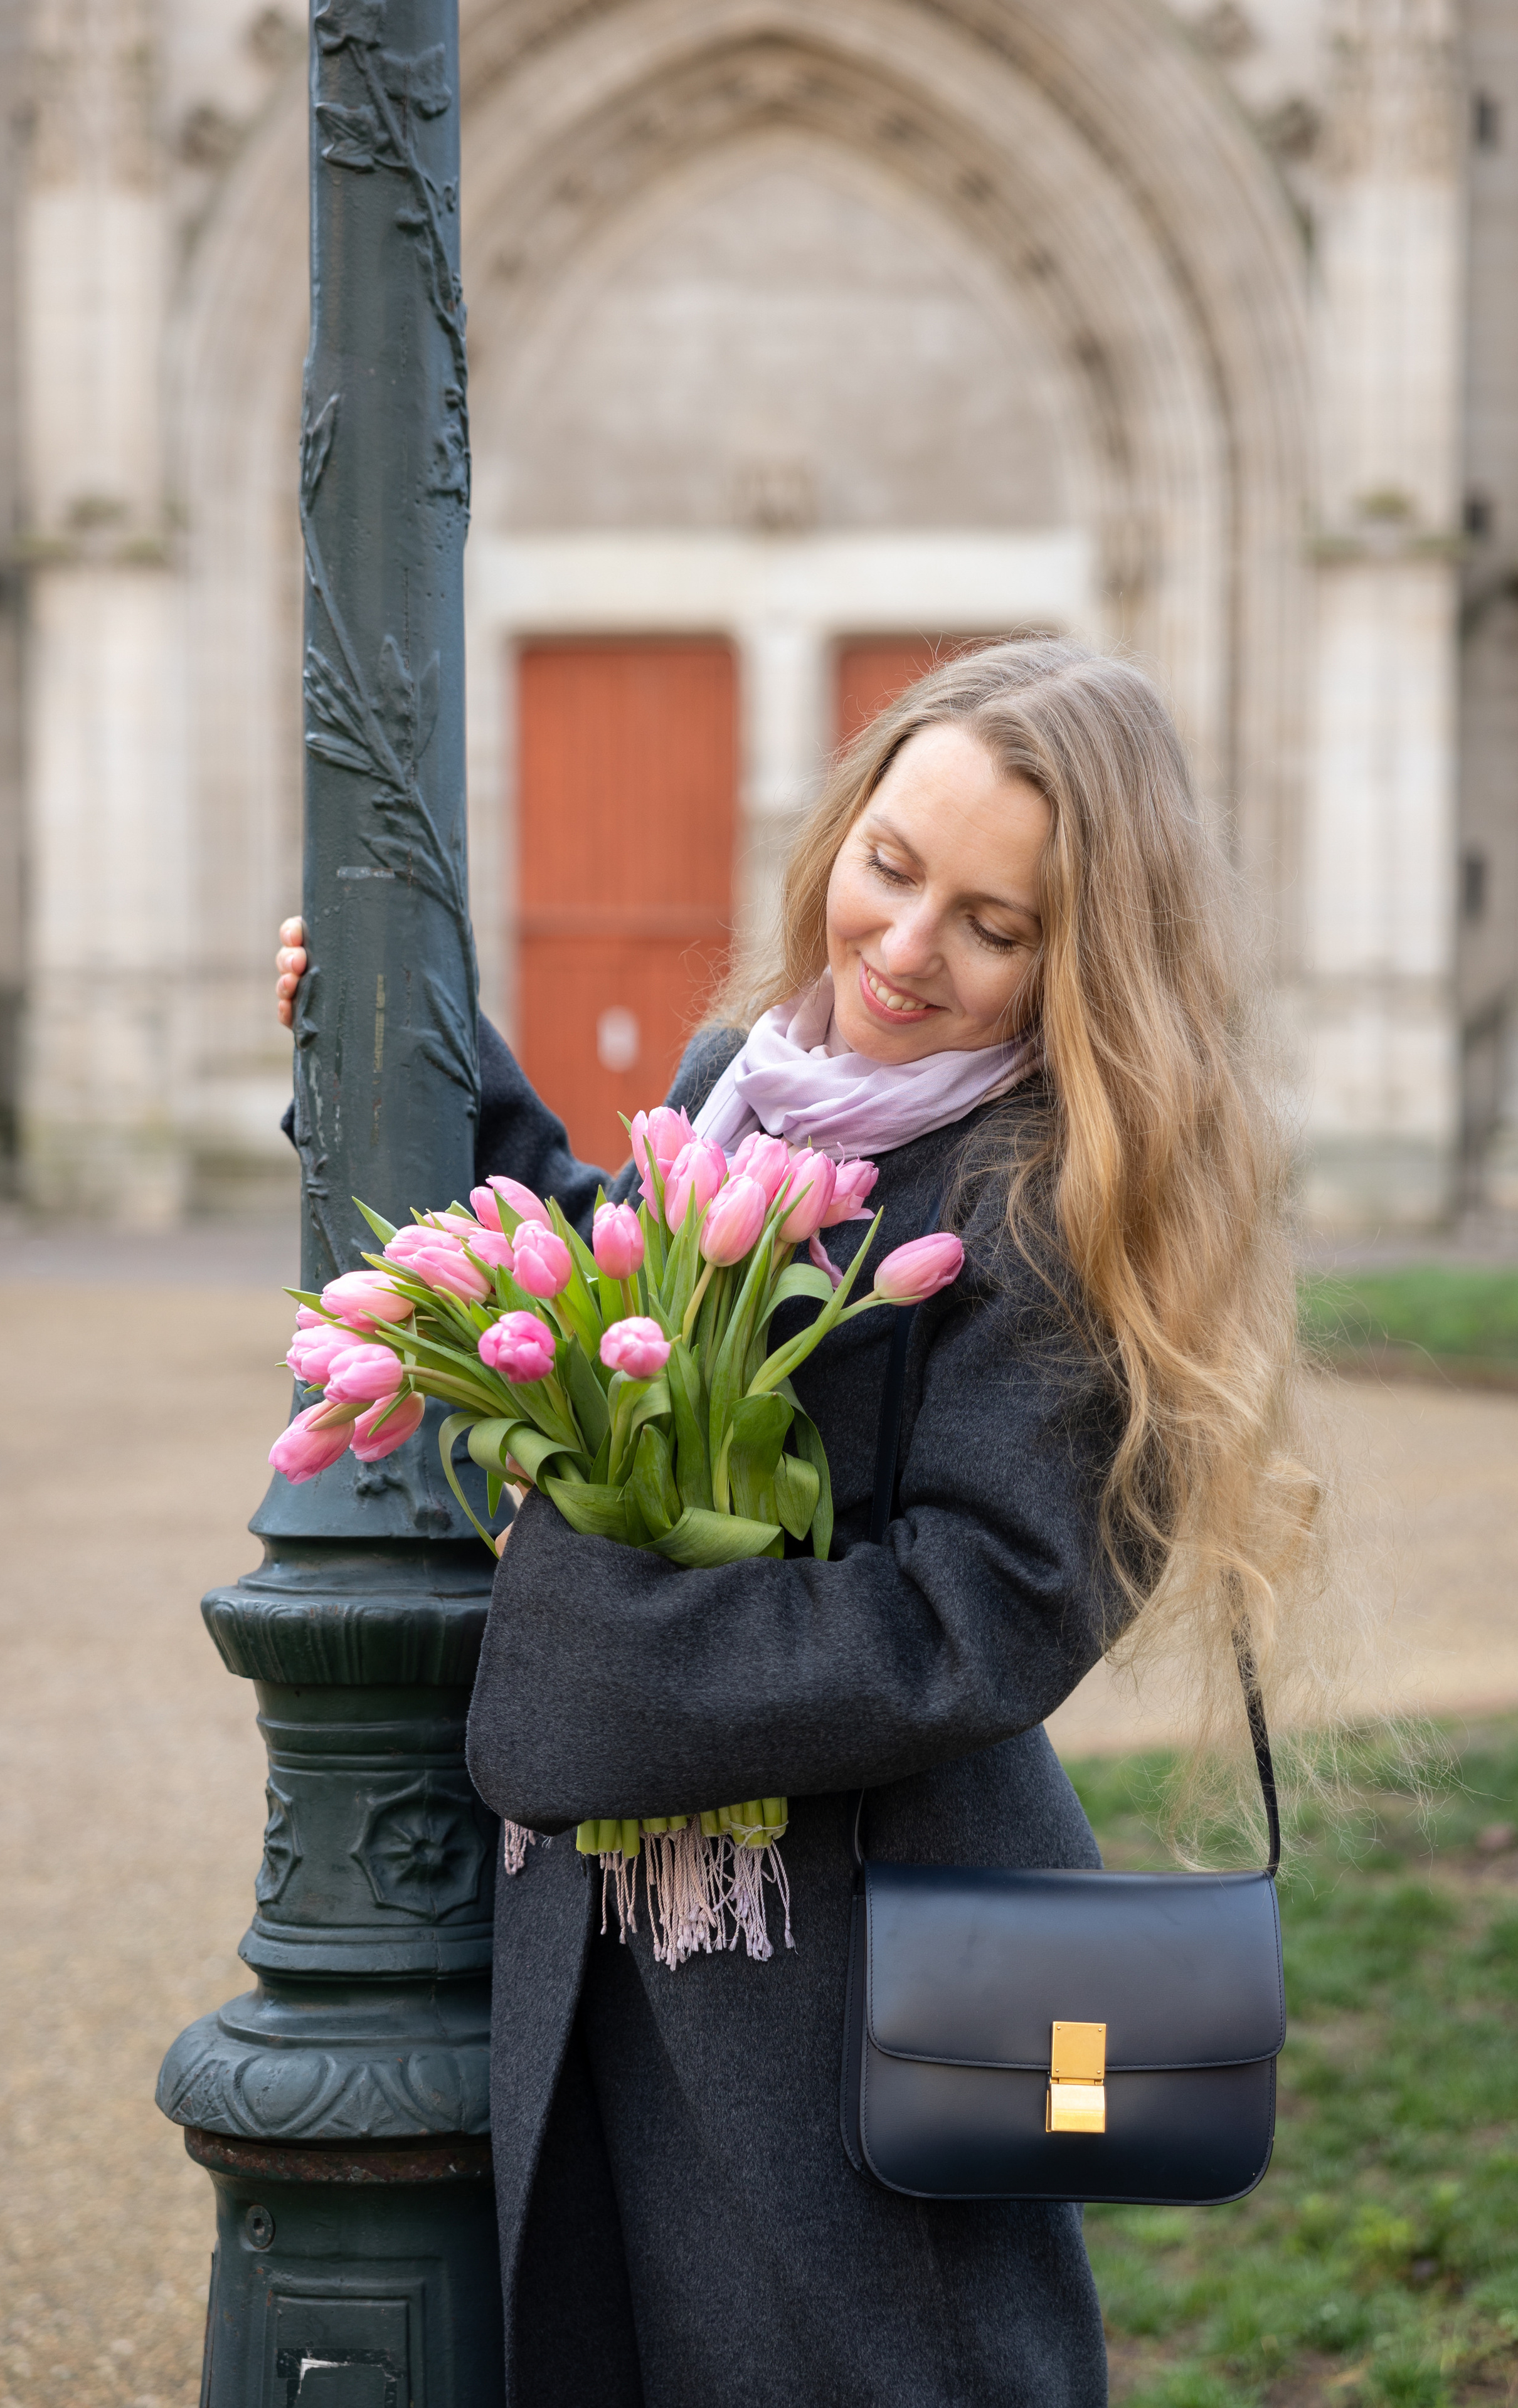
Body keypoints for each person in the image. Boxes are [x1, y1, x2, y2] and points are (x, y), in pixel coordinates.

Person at [273, 638, 1323, 2408]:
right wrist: (397, 1039)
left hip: (857, 1994)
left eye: (996, 926)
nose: (905, 951)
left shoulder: (1056, 1200)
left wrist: (592, 1637)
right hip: (623, 1948)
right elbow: (602, 1274)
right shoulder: (739, 1087)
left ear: (1091, 960)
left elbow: (985, 1611)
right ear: (841, 831)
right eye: (891, 868)